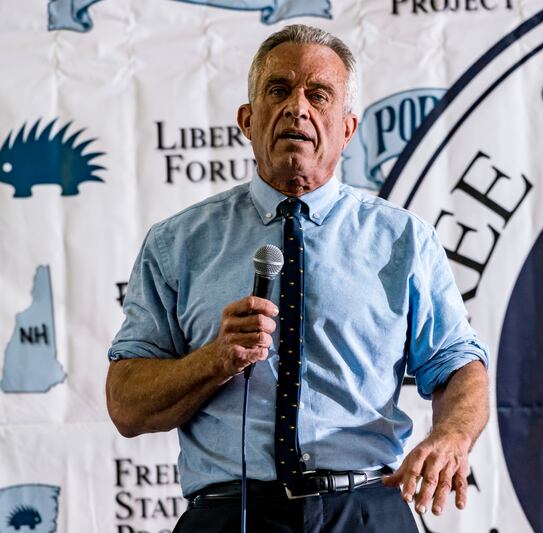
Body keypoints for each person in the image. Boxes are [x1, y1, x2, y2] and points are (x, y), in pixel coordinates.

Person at [106, 24, 489, 533]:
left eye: (319, 94)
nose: (298, 108)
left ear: (348, 128)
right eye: (279, 90)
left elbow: (460, 364)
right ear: (247, 118)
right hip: (229, 515)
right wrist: (213, 360)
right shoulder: (177, 243)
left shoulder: (404, 240)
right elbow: (126, 405)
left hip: (366, 510)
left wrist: (453, 435)